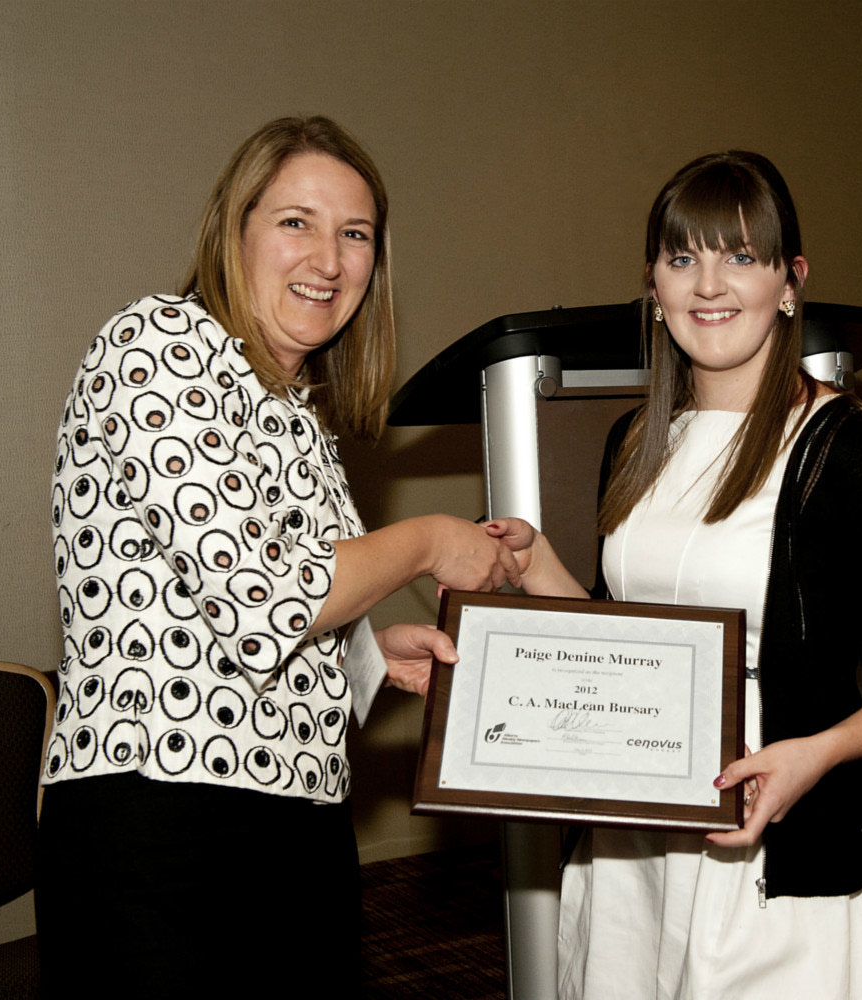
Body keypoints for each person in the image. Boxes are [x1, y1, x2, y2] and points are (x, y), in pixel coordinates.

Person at [37, 116, 521, 999]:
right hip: (164, 822)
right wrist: (430, 539)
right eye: (297, 222)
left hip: (301, 822)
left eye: (355, 234)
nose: (327, 260)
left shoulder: (297, 413)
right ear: (236, 230)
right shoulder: (159, 344)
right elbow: (266, 602)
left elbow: (259, 614)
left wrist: (370, 654)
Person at [488, 151, 862, 999]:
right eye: (682, 258)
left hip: (779, 843)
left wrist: (817, 755)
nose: (708, 285)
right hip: (634, 841)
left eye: (741, 256)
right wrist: (536, 564)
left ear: (790, 282)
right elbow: (625, 645)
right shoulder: (635, 442)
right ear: (653, 287)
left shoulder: (853, 454)